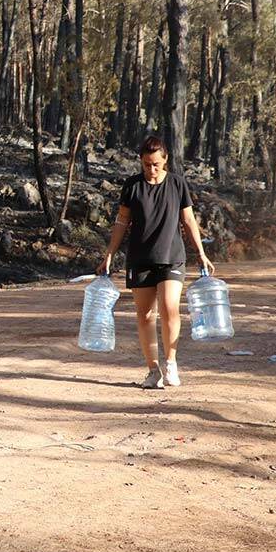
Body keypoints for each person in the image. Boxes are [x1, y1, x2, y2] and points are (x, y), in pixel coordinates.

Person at [100, 135, 214, 389]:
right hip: (140, 258)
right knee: (144, 315)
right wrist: (109, 253)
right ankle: (153, 370)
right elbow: (121, 222)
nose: (151, 170)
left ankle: (171, 363)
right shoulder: (132, 186)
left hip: (172, 257)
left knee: (169, 308)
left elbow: (188, 221)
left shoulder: (177, 184)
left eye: (156, 164)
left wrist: (201, 253)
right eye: (146, 165)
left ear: (165, 161)